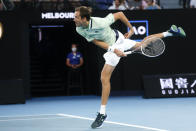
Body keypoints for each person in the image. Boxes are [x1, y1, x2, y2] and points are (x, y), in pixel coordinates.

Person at [74, 6, 186, 129]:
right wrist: (113, 50)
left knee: (104, 78)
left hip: (117, 41)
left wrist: (131, 29)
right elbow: (95, 41)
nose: (74, 19)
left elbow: (120, 14)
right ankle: (170, 32)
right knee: (142, 44)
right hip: (115, 44)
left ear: (85, 18)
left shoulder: (101, 22)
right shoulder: (79, 29)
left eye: (76, 17)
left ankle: (102, 113)